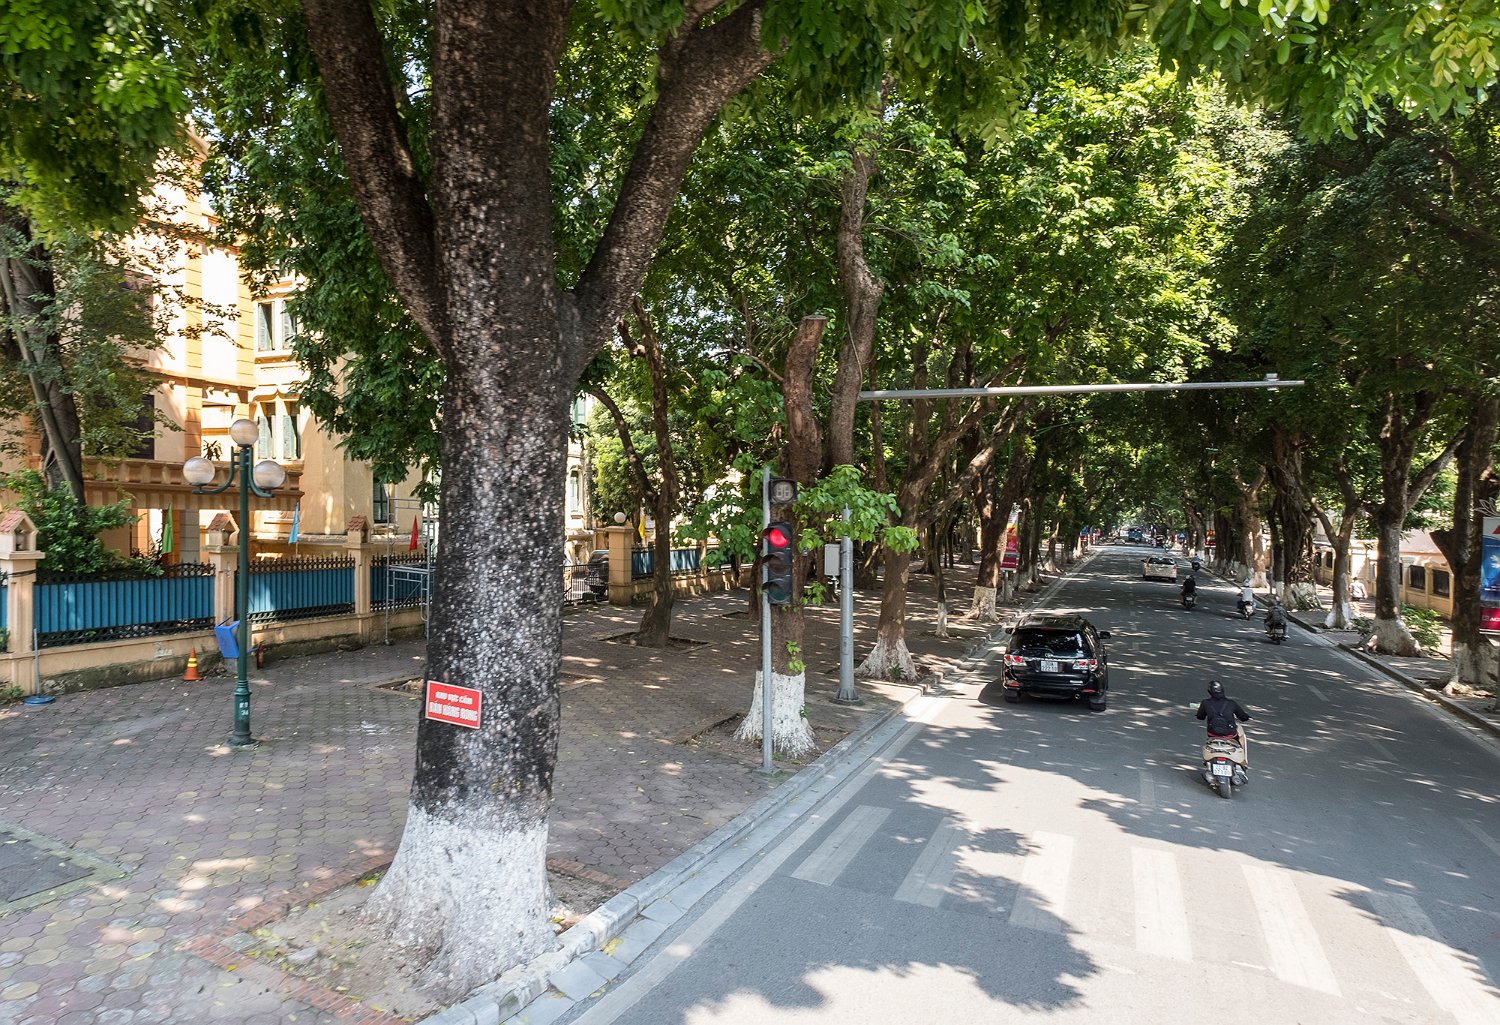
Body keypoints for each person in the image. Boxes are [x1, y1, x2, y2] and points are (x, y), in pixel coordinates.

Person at [1196, 679, 1252, 769]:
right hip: (1230, 735)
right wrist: (1247, 717)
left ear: (1210, 692)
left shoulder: (1205, 703)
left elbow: (1200, 717)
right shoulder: (1231, 703)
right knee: (1241, 736)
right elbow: (1243, 717)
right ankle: (1243, 761)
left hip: (1212, 734)